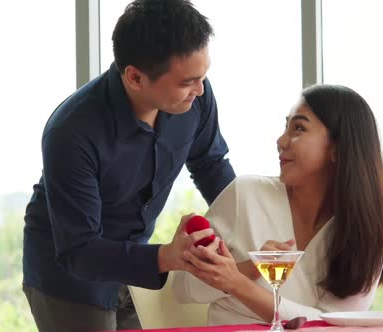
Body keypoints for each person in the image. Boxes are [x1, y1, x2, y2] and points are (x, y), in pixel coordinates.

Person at [22, 1, 235, 331]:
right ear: (135, 77)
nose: (201, 90)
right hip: (69, 279)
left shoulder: (195, 98)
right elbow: (79, 251)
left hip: (135, 269)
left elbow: (210, 164)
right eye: (188, 82)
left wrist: (249, 230)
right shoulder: (71, 132)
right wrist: (168, 255)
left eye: (203, 77)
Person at [173, 84, 383, 325]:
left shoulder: (365, 229)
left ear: (337, 148)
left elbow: (334, 324)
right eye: (286, 127)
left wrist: (237, 284)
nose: (281, 140)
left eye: (299, 128)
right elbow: (182, 288)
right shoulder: (245, 194)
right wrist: (248, 269)